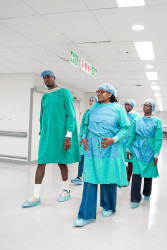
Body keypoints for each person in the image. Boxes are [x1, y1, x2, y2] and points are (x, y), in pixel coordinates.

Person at [73, 83, 130, 227]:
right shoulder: (92, 108)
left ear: (110, 94)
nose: (99, 94)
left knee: (108, 179)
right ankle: (85, 215)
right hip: (92, 148)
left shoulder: (118, 109)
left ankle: (109, 206)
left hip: (110, 148)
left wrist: (113, 139)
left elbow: (126, 129)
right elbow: (85, 125)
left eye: (102, 92)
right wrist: (84, 137)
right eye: (97, 91)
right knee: (90, 180)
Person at [22, 70, 80, 208]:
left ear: (54, 77)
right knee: (41, 163)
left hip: (61, 136)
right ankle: (36, 196)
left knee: (62, 163)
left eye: (48, 77)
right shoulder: (45, 97)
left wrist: (68, 136)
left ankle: (66, 190)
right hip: (47, 136)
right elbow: (42, 117)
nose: (46, 80)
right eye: (44, 78)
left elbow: (71, 116)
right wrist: (42, 132)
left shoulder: (64, 92)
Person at [126, 99, 163, 209]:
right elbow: (132, 135)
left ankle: (147, 192)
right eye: (144, 105)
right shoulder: (137, 120)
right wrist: (128, 147)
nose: (145, 107)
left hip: (150, 149)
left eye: (148, 105)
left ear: (152, 108)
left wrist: (156, 153)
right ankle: (135, 198)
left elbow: (158, 138)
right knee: (136, 173)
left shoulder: (157, 121)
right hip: (137, 148)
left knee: (148, 171)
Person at [71, 96, 97, 185]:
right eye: (90, 100)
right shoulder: (87, 112)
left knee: (90, 159)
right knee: (81, 158)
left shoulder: (97, 113)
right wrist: (80, 138)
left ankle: (89, 177)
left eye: (93, 100)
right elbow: (82, 126)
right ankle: (79, 176)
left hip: (92, 140)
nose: (91, 102)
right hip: (84, 139)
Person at [122, 99, 139, 184]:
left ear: (132, 106)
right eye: (125, 104)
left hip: (131, 141)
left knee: (130, 161)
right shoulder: (123, 114)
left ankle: (128, 178)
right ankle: (123, 176)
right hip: (122, 140)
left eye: (128, 104)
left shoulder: (136, 116)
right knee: (121, 158)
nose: (126, 106)